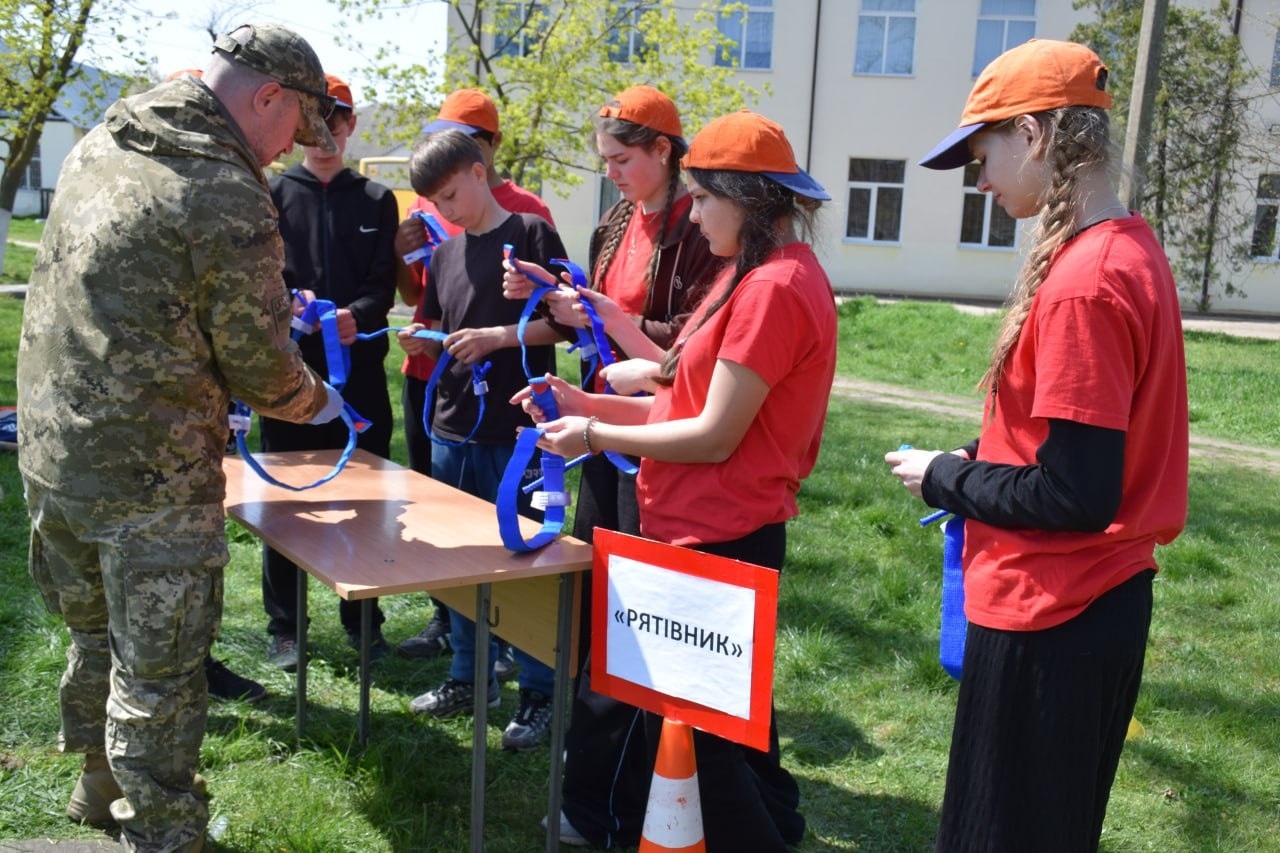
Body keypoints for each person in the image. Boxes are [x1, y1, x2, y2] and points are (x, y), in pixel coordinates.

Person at [17, 23, 345, 852]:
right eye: (293, 128)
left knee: (95, 637)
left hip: (54, 456)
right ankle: (163, 834)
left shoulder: (105, 140)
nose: (285, 152)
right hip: (149, 480)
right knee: (160, 675)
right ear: (268, 96)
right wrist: (319, 401)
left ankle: (95, 788)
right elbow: (264, 369)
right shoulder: (224, 190)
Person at [885, 39, 1188, 852]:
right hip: (1094, 604)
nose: (980, 181)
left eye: (982, 156)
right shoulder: (1129, 247)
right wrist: (984, 457)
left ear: (1034, 135)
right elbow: (1075, 450)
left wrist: (947, 477)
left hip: (1055, 611)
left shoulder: (1087, 279)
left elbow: (1076, 493)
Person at [512, 109, 835, 851]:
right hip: (699, 528)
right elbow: (685, 398)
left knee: (703, 755)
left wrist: (591, 434)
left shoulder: (773, 288)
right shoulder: (748, 275)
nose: (694, 212)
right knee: (717, 739)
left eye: (706, 198)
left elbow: (715, 432)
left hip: (717, 535)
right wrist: (584, 401)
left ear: (748, 200)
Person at [502, 84, 722, 848]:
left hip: (657, 443)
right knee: (602, 606)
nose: (614, 173)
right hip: (606, 430)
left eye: (624, 160)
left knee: (636, 616)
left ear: (666, 150)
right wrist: (559, 304)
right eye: (607, 161)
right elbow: (604, 327)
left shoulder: (704, 226)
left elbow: (691, 348)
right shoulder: (614, 219)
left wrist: (605, 315)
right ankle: (603, 780)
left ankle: (623, 790)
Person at [395, 129, 568, 751]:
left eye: (449, 195)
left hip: (518, 430)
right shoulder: (443, 255)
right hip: (451, 426)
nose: (444, 211)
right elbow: (442, 323)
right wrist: (424, 341)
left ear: (478, 171)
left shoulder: (530, 234)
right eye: (433, 204)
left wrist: (498, 338)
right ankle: (469, 676)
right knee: (456, 558)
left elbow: (566, 323)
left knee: (526, 564)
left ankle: (539, 693)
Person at [260, 73, 399, 671]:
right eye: (314, 119)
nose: (326, 132)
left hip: (359, 378)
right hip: (286, 377)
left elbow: (381, 287)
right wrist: (289, 306)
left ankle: (363, 621)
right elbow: (263, 275)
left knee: (365, 502)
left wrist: (357, 316)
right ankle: (286, 626)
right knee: (284, 503)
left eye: (337, 118)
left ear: (351, 124)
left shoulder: (376, 199)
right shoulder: (268, 192)